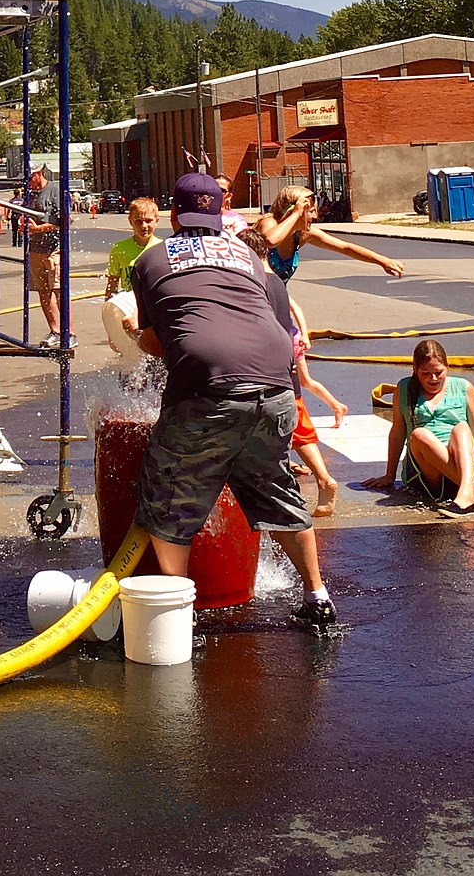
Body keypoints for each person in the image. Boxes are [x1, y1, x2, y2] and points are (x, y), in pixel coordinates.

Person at [130, 172, 337, 630]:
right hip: (277, 391)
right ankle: (317, 596)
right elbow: (274, 319)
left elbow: (157, 341)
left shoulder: (151, 261)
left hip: (209, 392)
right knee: (277, 490)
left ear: (173, 215)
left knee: (168, 496)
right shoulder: (248, 254)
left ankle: (176, 616)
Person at [238, 226, 345, 516]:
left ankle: (321, 480)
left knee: (285, 428)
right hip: (284, 364)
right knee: (296, 427)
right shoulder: (276, 282)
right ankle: (320, 479)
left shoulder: (255, 282)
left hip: (267, 367)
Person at [364, 339, 474, 515]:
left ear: (447, 367)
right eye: (425, 373)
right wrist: (389, 475)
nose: (433, 379)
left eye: (439, 372)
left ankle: (467, 491)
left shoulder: (464, 387)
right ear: (415, 371)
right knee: (419, 434)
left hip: (462, 460)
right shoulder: (404, 388)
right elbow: (398, 432)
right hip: (424, 468)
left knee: (462, 428)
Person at [256, 185, 404, 282]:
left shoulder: (302, 235)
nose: (315, 217)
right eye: (311, 211)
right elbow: (270, 240)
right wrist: (295, 214)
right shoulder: (269, 223)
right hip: (251, 301)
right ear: (295, 209)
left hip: (275, 301)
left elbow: (345, 247)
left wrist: (383, 261)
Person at [103, 197, 161, 348]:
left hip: (153, 306)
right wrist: (111, 328)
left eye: (149, 221)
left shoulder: (163, 247)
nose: (144, 226)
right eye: (138, 221)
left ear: (157, 221)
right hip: (128, 305)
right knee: (129, 351)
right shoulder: (119, 248)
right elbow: (112, 283)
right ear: (130, 221)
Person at [26, 166, 64, 349]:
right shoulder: (30, 194)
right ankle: (54, 330)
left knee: (58, 290)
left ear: (38, 174)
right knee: (43, 292)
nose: (27, 184)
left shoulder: (54, 190)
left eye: (29, 179)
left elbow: (63, 221)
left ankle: (67, 331)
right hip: (35, 248)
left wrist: (39, 228)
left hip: (53, 249)